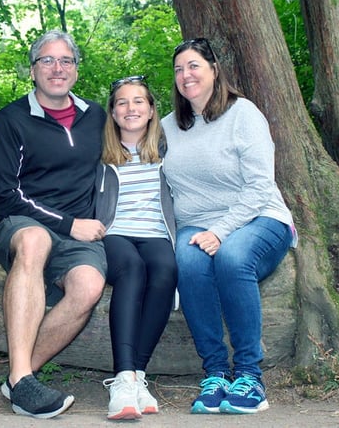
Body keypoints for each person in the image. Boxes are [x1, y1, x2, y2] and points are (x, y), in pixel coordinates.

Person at [162, 37, 297, 415]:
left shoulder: (244, 114)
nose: (185, 75)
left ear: (214, 70)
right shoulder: (169, 127)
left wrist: (220, 231)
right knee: (186, 262)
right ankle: (217, 374)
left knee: (233, 259)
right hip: (195, 224)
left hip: (259, 219)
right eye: (178, 69)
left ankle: (250, 376)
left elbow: (259, 187)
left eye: (193, 66)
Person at [0, 30, 108, 419]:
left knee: (89, 286)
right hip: (23, 223)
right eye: (48, 61)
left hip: (80, 232)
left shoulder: (96, 117)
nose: (58, 68)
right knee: (37, 240)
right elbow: (4, 194)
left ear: (76, 69)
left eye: (66, 61)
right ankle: (23, 379)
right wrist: (69, 224)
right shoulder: (11, 120)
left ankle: (20, 380)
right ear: (33, 70)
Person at [95, 76, 178, 420]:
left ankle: (137, 376)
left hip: (157, 233)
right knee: (132, 269)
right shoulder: (98, 153)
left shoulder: (169, 150)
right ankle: (122, 377)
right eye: (122, 103)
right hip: (115, 233)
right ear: (113, 113)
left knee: (166, 270)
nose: (131, 108)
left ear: (151, 110)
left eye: (139, 101)